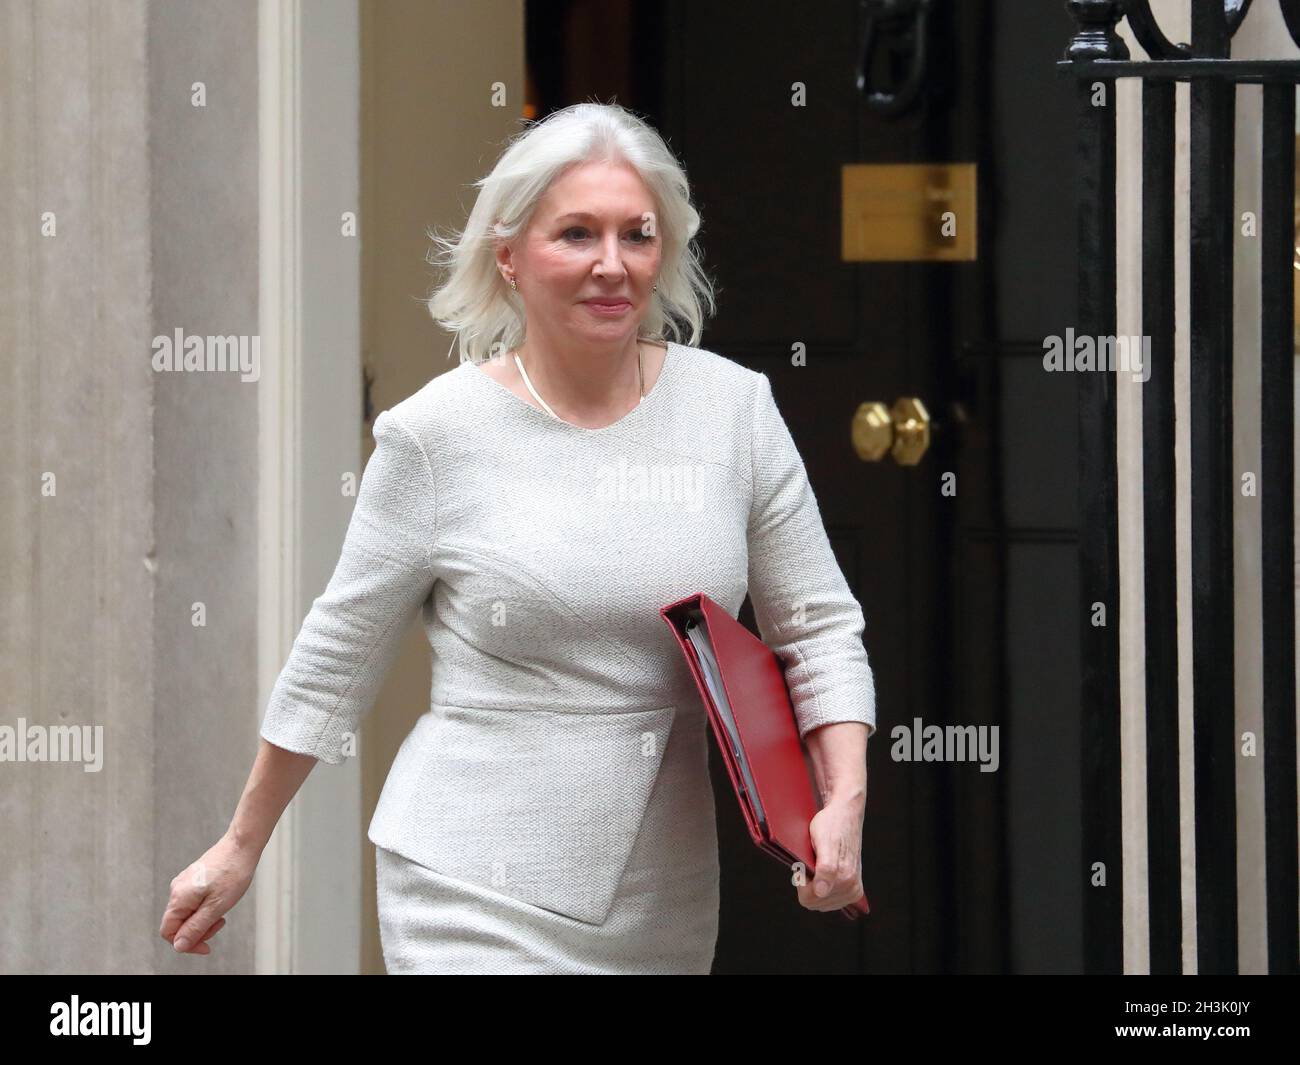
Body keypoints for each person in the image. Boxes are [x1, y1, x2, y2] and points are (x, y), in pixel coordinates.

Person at [159, 102, 876, 974]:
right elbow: (336, 654)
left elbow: (817, 626)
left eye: (636, 235)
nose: (611, 265)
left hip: (664, 895)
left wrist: (844, 802)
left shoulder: (734, 411)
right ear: (509, 256)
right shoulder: (437, 436)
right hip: (472, 883)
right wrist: (242, 843)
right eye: (576, 234)